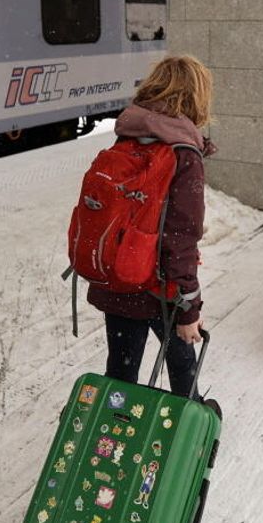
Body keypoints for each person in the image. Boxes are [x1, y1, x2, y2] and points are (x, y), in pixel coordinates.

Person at [86, 55, 215, 395]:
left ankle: (110, 435)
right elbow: (181, 237)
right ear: (195, 97)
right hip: (159, 289)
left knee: (121, 371)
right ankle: (185, 438)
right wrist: (188, 307)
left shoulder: (128, 136)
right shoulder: (183, 153)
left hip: (118, 275)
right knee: (183, 366)